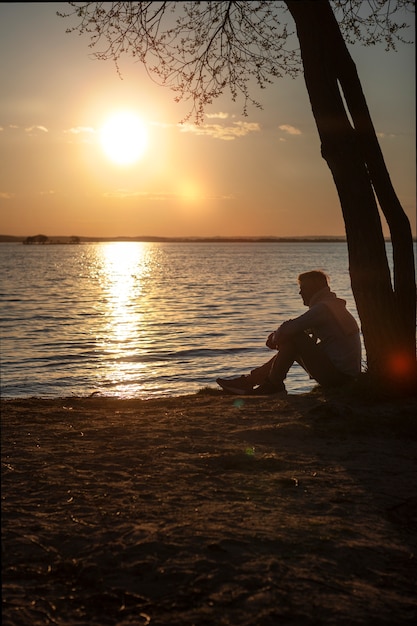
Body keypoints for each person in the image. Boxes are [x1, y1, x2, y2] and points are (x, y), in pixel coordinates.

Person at [216, 270, 361, 395]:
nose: (300, 292)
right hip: (345, 376)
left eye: (303, 288)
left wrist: (274, 339)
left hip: (340, 378)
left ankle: (270, 384)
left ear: (315, 289)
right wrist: (280, 337)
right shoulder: (332, 307)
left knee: (294, 337)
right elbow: (296, 329)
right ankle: (254, 381)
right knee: (292, 339)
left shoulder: (323, 309)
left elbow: (290, 328)